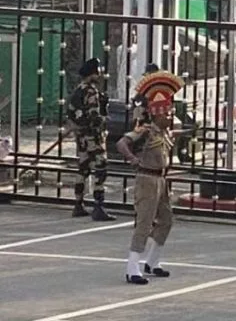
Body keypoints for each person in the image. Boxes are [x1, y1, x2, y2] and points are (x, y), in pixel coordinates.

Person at [117, 70, 185, 285]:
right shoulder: (146, 130)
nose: (170, 117)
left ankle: (152, 262)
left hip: (162, 180)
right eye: (167, 114)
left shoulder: (165, 132)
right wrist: (131, 158)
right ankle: (132, 267)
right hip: (147, 179)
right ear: (157, 113)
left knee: (166, 220)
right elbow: (122, 143)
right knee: (144, 223)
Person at [67, 57, 115, 221]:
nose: (100, 74)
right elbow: (94, 116)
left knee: (83, 168)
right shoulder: (91, 92)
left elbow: (71, 112)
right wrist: (104, 117)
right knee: (101, 168)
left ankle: (78, 204)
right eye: (98, 71)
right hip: (93, 136)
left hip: (81, 137)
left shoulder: (78, 90)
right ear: (92, 73)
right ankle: (98, 206)